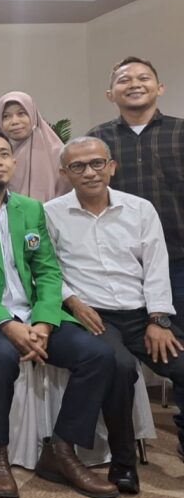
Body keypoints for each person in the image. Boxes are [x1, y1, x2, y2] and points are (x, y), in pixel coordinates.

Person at [0, 130, 120, 498]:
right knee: (0, 356)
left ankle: (61, 451)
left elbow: (48, 270)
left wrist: (44, 322)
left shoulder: (31, 208)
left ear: (14, 162)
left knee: (99, 355)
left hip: (33, 311)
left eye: (4, 154)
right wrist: (6, 323)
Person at [45, 136, 184, 493]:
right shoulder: (51, 213)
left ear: (111, 166)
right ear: (65, 173)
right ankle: (124, 464)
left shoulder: (140, 209)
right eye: (78, 166)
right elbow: (47, 270)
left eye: (97, 163)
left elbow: (156, 265)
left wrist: (158, 319)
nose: (89, 172)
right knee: (119, 367)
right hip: (93, 316)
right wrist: (73, 302)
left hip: (141, 315)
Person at [88, 55, 184, 459]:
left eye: (144, 78)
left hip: (178, 260)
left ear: (159, 87)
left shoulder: (180, 133)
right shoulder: (98, 140)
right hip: (118, 264)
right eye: (124, 80)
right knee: (126, 352)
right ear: (111, 94)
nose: (134, 84)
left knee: (178, 349)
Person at [0, 91, 70, 202]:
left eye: (21, 113)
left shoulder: (58, 153)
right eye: (6, 116)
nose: (14, 121)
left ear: (33, 115)